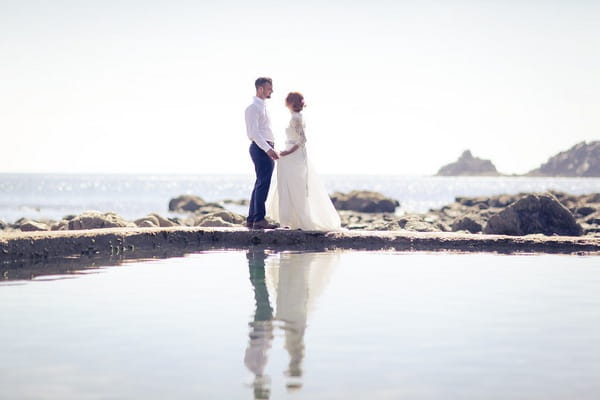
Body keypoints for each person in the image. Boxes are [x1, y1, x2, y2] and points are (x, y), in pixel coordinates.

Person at [266, 92, 341, 230]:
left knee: (294, 187)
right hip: (291, 155)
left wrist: (287, 152)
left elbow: (302, 140)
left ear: (290, 102)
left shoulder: (296, 118)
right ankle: (290, 220)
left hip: (293, 156)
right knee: (290, 186)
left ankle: (292, 220)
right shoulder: (297, 117)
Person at [245, 77, 279, 230]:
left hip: (264, 147)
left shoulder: (263, 106)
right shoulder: (253, 108)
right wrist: (268, 149)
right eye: (268, 88)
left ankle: (252, 219)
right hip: (260, 148)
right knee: (263, 183)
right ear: (260, 88)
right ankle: (258, 219)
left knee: (260, 183)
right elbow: (253, 133)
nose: (271, 90)